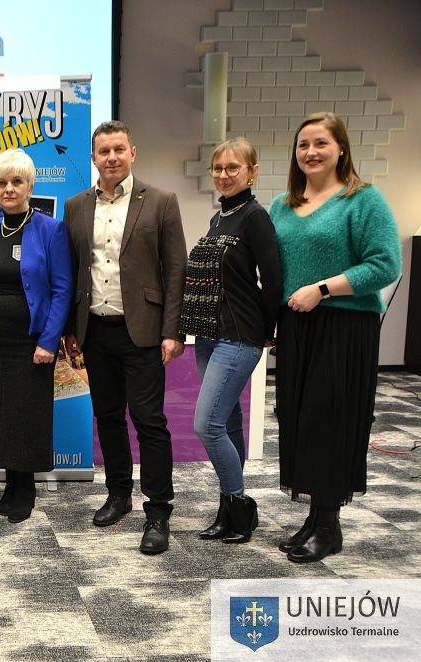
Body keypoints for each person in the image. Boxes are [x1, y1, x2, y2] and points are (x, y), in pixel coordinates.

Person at [270, 112, 401, 563]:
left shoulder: (362, 200)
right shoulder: (282, 205)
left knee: (329, 421)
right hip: (296, 326)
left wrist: (323, 289)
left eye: (321, 143)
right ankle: (315, 517)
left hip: (343, 327)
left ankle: (328, 525)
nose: (311, 152)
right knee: (298, 419)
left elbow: (385, 264)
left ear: (341, 148)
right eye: (303, 144)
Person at [63, 121, 187, 555]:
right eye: (104, 151)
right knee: (108, 416)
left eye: (119, 149)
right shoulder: (75, 206)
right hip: (95, 329)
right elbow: (72, 270)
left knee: (149, 421)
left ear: (132, 152)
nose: (112, 157)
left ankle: (158, 510)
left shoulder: (161, 201)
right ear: (93, 158)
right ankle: (118, 494)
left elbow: (176, 270)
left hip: (144, 332)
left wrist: (172, 330)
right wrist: (71, 330)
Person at [179, 139, 282, 544]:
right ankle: (228, 509)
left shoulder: (255, 218)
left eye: (232, 168)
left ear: (252, 171)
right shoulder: (219, 218)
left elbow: (273, 280)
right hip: (209, 335)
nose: (223, 175)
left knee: (207, 425)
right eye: (218, 168)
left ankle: (240, 507)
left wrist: (269, 331)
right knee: (229, 422)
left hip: (240, 336)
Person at [0, 149, 73, 523]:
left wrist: (48, 341)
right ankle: (10, 482)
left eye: (16, 181)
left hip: (30, 341)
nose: (8, 189)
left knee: (26, 412)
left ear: (30, 186)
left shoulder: (51, 229)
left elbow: (62, 289)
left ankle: (24, 487)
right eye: (1, 183)